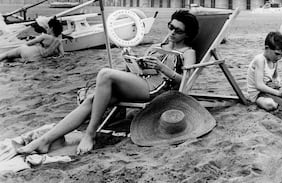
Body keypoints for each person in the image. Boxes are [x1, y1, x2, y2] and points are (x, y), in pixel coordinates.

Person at [17, 9, 199, 155]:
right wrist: (131, 62)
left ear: (187, 34)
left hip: (157, 89)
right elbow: (141, 71)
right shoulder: (157, 47)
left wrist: (162, 68)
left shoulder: (188, 52)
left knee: (105, 74)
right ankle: (44, 141)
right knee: (92, 99)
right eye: (171, 27)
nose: (172, 32)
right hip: (140, 82)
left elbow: (187, 81)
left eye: (178, 30)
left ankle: (90, 134)